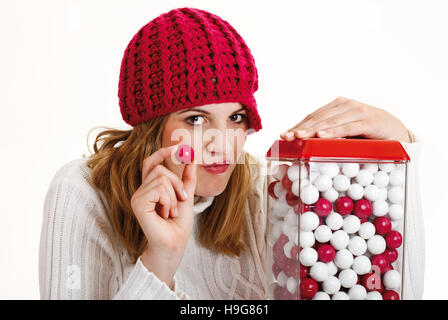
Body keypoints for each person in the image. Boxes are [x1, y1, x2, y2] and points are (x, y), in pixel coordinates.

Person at [39, 7, 425, 300]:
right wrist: (160, 263)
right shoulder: (82, 194)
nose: (223, 142)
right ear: (151, 128)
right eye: (195, 119)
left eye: (236, 117)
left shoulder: (268, 195)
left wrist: (401, 151)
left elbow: (392, 288)